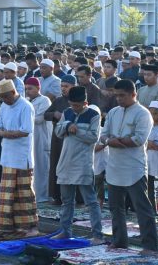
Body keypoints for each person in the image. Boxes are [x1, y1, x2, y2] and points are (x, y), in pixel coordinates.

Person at [99, 79, 158, 255]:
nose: (118, 99)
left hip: (134, 168)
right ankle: (119, 242)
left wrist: (115, 141)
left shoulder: (142, 114)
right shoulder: (113, 112)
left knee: (143, 209)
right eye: (116, 95)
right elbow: (103, 136)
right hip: (114, 166)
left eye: (122, 96)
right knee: (116, 208)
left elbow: (138, 140)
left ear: (134, 94)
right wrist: (114, 140)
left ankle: (150, 247)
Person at [53, 86, 104, 244]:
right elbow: (58, 131)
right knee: (67, 201)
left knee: (91, 201)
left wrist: (76, 131)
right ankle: (65, 231)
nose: (74, 108)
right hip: (66, 162)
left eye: (77, 105)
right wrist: (67, 126)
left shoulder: (94, 115)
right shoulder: (67, 112)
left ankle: (97, 235)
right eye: (72, 104)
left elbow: (94, 137)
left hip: (83, 163)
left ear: (85, 103)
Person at [0, 79, 38, 235]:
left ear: (13, 92)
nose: (4, 100)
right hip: (7, 155)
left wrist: (6, 134)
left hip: (21, 157)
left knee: (23, 193)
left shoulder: (26, 107)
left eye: (6, 97)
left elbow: (25, 131)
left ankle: (29, 227)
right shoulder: (4, 106)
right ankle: (7, 226)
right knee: (7, 194)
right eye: (2, 98)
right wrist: (3, 133)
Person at [44, 75, 77, 205]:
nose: (63, 89)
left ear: (74, 87)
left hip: (72, 139)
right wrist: (54, 114)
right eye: (62, 86)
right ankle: (57, 196)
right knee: (56, 166)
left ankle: (76, 198)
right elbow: (46, 114)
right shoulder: (58, 101)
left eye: (66, 86)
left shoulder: (78, 101)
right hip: (57, 140)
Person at [25, 77, 52, 203]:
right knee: (32, 167)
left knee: (42, 167)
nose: (28, 91)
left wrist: (24, 119)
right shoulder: (26, 101)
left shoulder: (44, 100)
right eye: (26, 89)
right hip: (30, 138)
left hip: (41, 138)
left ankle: (43, 195)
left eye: (30, 88)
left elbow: (39, 119)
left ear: (38, 88)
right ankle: (33, 193)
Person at [147, 100, 158, 213]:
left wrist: (152, 145)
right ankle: (153, 211)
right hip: (148, 160)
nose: (153, 116)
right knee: (149, 187)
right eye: (151, 113)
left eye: (155, 113)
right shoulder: (146, 125)